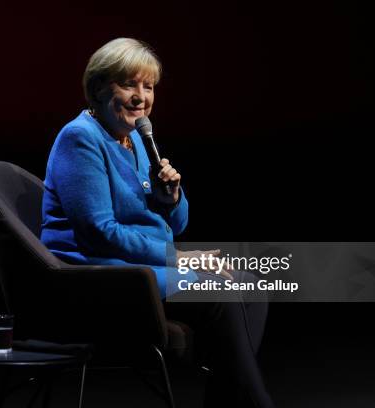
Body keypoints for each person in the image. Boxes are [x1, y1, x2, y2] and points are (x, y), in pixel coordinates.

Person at [40, 37, 275, 408]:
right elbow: (98, 233)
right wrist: (181, 259)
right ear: (99, 88)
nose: (141, 97)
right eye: (128, 84)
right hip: (97, 274)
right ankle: (254, 402)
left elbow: (175, 226)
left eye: (147, 87)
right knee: (221, 294)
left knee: (249, 285)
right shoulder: (80, 139)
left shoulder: (134, 136)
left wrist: (171, 198)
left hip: (137, 265)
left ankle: (230, 399)